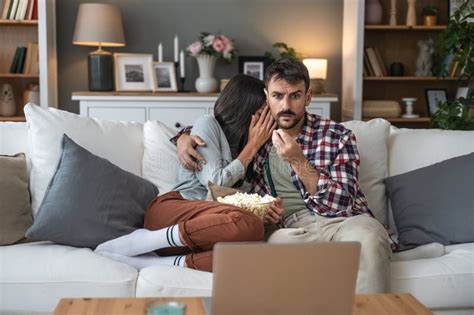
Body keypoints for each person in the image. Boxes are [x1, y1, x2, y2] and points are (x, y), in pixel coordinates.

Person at [177, 59, 392, 293]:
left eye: (295, 96)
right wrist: (182, 137)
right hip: (289, 228)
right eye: (278, 96)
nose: (286, 105)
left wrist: (298, 160)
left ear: (308, 97)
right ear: (266, 97)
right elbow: (218, 129)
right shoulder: (257, 137)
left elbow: (342, 202)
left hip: (342, 222)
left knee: (369, 236)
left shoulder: (337, 136)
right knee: (281, 246)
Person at [95, 74, 281, 272]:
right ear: (243, 110)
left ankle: (154, 263)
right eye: (262, 114)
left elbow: (243, 201)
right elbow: (215, 181)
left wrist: (266, 211)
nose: (267, 122)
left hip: (206, 231)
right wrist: (252, 146)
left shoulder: (261, 151)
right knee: (248, 224)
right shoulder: (209, 124)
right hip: (174, 211)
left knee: (254, 252)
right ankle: (144, 239)